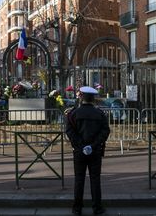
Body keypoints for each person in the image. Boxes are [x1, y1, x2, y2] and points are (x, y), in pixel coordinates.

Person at [65, 86, 110, 215]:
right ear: (93, 98)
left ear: (81, 97)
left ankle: (77, 208)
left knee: (79, 179)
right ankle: (97, 207)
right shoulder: (100, 114)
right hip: (95, 151)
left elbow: (69, 131)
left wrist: (81, 145)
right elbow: (105, 131)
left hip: (79, 151)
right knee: (95, 179)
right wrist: (93, 145)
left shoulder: (73, 113)